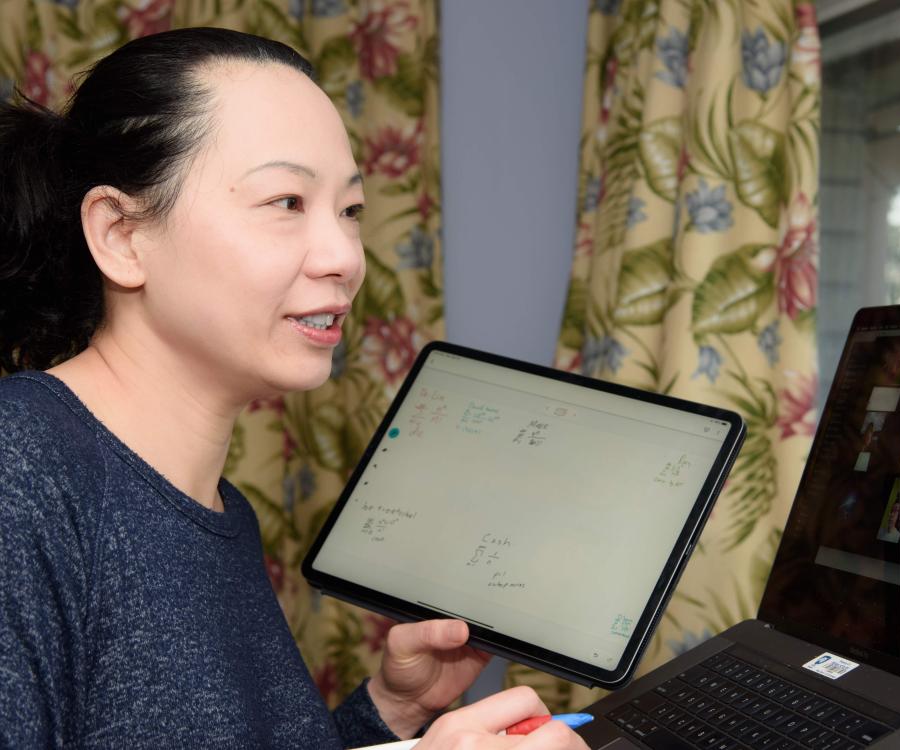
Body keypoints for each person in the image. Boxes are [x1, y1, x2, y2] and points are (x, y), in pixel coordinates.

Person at [0, 28, 588, 750]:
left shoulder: (219, 511)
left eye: (350, 211)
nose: (344, 257)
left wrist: (389, 713)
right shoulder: (20, 471)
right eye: (286, 202)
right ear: (121, 235)